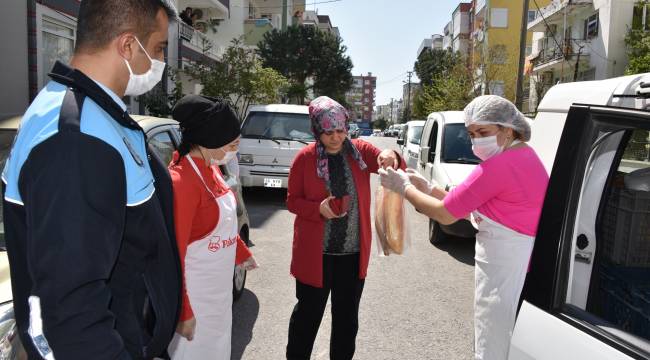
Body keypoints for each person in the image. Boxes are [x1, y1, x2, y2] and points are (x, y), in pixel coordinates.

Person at [2, 1, 181, 359]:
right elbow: (71, 308)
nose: (161, 61)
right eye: (160, 48)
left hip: (130, 334)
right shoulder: (77, 139)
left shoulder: (94, 113)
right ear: (128, 46)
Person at [379, 95, 549, 360]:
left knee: (495, 341)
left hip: (506, 270)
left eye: (483, 132)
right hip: (517, 263)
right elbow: (465, 203)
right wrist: (427, 187)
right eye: (471, 133)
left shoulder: (499, 166)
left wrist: (405, 189)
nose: (475, 140)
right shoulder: (523, 156)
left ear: (508, 128)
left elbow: (445, 215)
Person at [286, 96, 403, 360]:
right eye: (328, 132)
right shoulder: (304, 158)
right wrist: (317, 209)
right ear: (317, 130)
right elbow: (292, 201)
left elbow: (393, 162)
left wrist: (390, 154)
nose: (336, 138)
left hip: (351, 257)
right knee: (306, 318)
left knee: (346, 322)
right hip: (315, 256)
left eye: (340, 130)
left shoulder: (359, 151)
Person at [167, 95, 258, 360]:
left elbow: (222, 223)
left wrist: (241, 253)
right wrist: (183, 312)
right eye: (232, 145)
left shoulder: (212, 167)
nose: (235, 152)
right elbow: (174, 254)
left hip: (219, 295)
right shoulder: (181, 182)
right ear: (210, 140)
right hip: (194, 299)